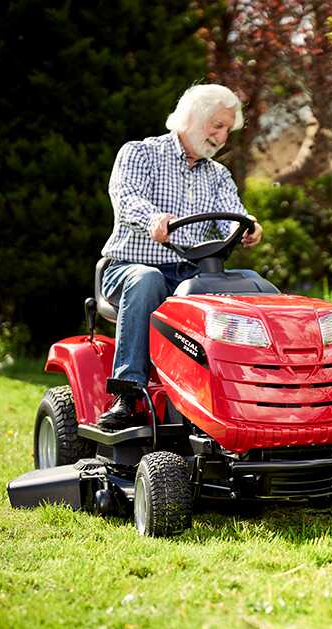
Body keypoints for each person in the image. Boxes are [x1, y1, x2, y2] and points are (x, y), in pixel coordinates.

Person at [96, 84, 263, 429]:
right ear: (192, 118)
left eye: (226, 130)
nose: (221, 137)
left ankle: (250, 394)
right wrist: (153, 219)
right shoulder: (140, 154)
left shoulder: (217, 176)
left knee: (250, 286)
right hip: (127, 271)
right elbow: (127, 199)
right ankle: (128, 394)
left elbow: (231, 211)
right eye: (216, 126)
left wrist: (249, 226)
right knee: (148, 279)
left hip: (188, 276)